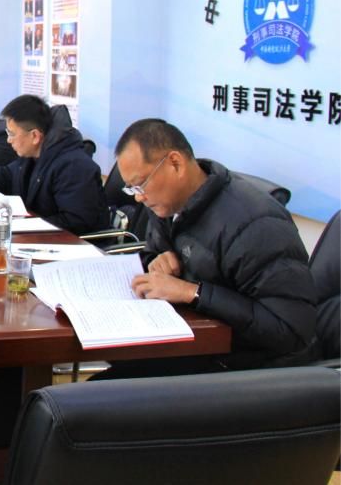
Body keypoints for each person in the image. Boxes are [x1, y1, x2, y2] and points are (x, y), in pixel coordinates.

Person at [92, 118, 317, 379]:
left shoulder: (256, 224)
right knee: (91, 391)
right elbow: (157, 250)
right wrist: (157, 260)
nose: (139, 197)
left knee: (95, 398)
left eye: (141, 184)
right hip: (191, 344)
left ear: (175, 163)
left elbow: (290, 331)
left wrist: (192, 292)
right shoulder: (168, 204)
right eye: (132, 189)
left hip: (248, 372)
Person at [0, 95, 108, 235]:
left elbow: (76, 222)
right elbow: (8, 174)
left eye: (12, 134)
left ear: (35, 136)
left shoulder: (72, 165)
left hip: (74, 246)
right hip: (37, 236)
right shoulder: (33, 154)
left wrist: (23, 224)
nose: (8, 140)